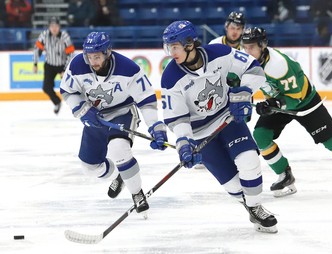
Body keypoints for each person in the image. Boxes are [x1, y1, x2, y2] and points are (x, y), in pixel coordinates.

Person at [160, 20, 278, 233]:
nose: (171, 52)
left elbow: (254, 69)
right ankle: (248, 204)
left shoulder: (220, 53)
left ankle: (256, 207)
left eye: (175, 46)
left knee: (249, 161)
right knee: (232, 184)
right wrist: (184, 144)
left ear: (189, 44)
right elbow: (177, 119)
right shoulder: (170, 77)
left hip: (227, 118)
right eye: (169, 47)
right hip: (200, 132)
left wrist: (244, 93)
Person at [241, 27, 332, 198]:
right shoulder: (244, 62)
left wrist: (271, 104)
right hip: (277, 103)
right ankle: (285, 175)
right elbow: (240, 84)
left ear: (262, 45)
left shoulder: (278, 65)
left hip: (305, 103)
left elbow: (295, 98)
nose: (247, 51)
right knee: (260, 135)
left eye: (251, 47)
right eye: (245, 47)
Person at [59, 31, 168, 215]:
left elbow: (146, 99)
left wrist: (156, 127)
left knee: (119, 150)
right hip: (95, 117)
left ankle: (137, 193)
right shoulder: (77, 64)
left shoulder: (128, 69)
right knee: (89, 167)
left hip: (122, 113)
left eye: (97, 57)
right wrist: (83, 110)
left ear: (108, 52)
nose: (93, 62)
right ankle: (120, 175)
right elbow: (67, 91)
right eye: (90, 57)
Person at [33, 17, 75, 114]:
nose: (54, 28)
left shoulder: (65, 36)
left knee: (71, 87)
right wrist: (35, 63)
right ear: (49, 27)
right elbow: (37, 49)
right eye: (52, 26)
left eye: (56, 26)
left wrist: (65, 69)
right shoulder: (44, 35)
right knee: (46, 88)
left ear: (59, 27)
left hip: (63, 65)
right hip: (50, 65)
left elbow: (71, 53)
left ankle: (79, 105)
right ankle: (57, 102)